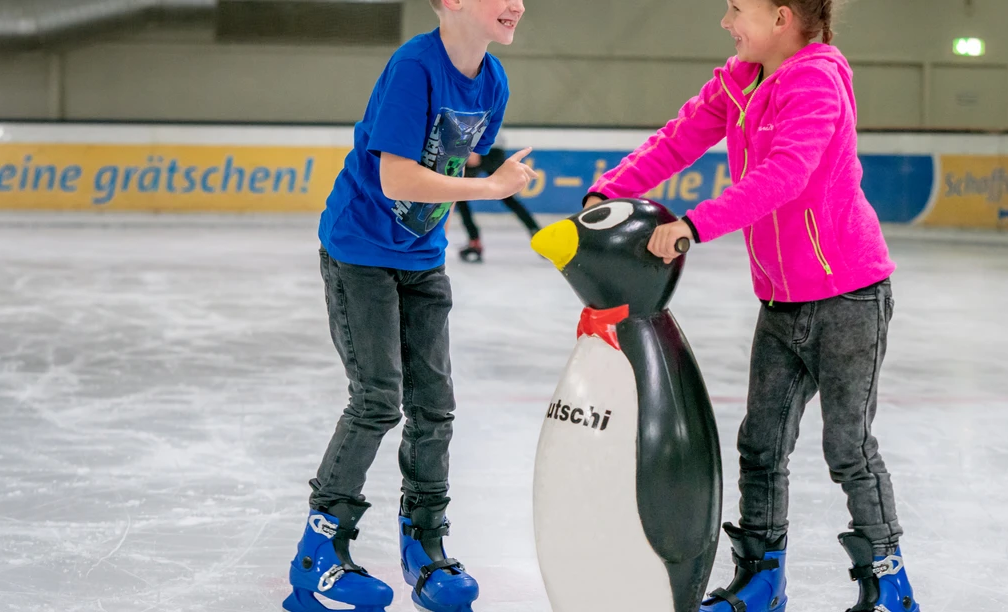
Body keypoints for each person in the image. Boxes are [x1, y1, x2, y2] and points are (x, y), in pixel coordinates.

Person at [582, 1, 920, 611]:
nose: (726, 20)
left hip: (849, 297)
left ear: (782, 17)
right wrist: (611, 190)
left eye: (738, 8)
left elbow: (786, 173)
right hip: (782, 301)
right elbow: (679, 138)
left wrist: (694, 224)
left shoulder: (816, 79)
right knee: (760, 445)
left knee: (848, 448)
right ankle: (763, 578)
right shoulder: (738, 81)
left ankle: (889, 584)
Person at [283, 1, 535, 611]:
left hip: (422, 257)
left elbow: (452, 160)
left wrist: (483, 185)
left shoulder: (493, 81)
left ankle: (425, 542)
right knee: (377, 398)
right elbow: (397, 179)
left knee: (435, 405)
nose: (517, 3)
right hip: (360, 252)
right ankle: (318, 556)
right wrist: (491, 188)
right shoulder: (413, 68)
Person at [453, 147, 542, 263]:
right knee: (461, 197)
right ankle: (537, 234)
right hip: (484, 150)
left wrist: (473, 150)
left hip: (480, 150)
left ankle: (474, 241)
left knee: (460, 196)